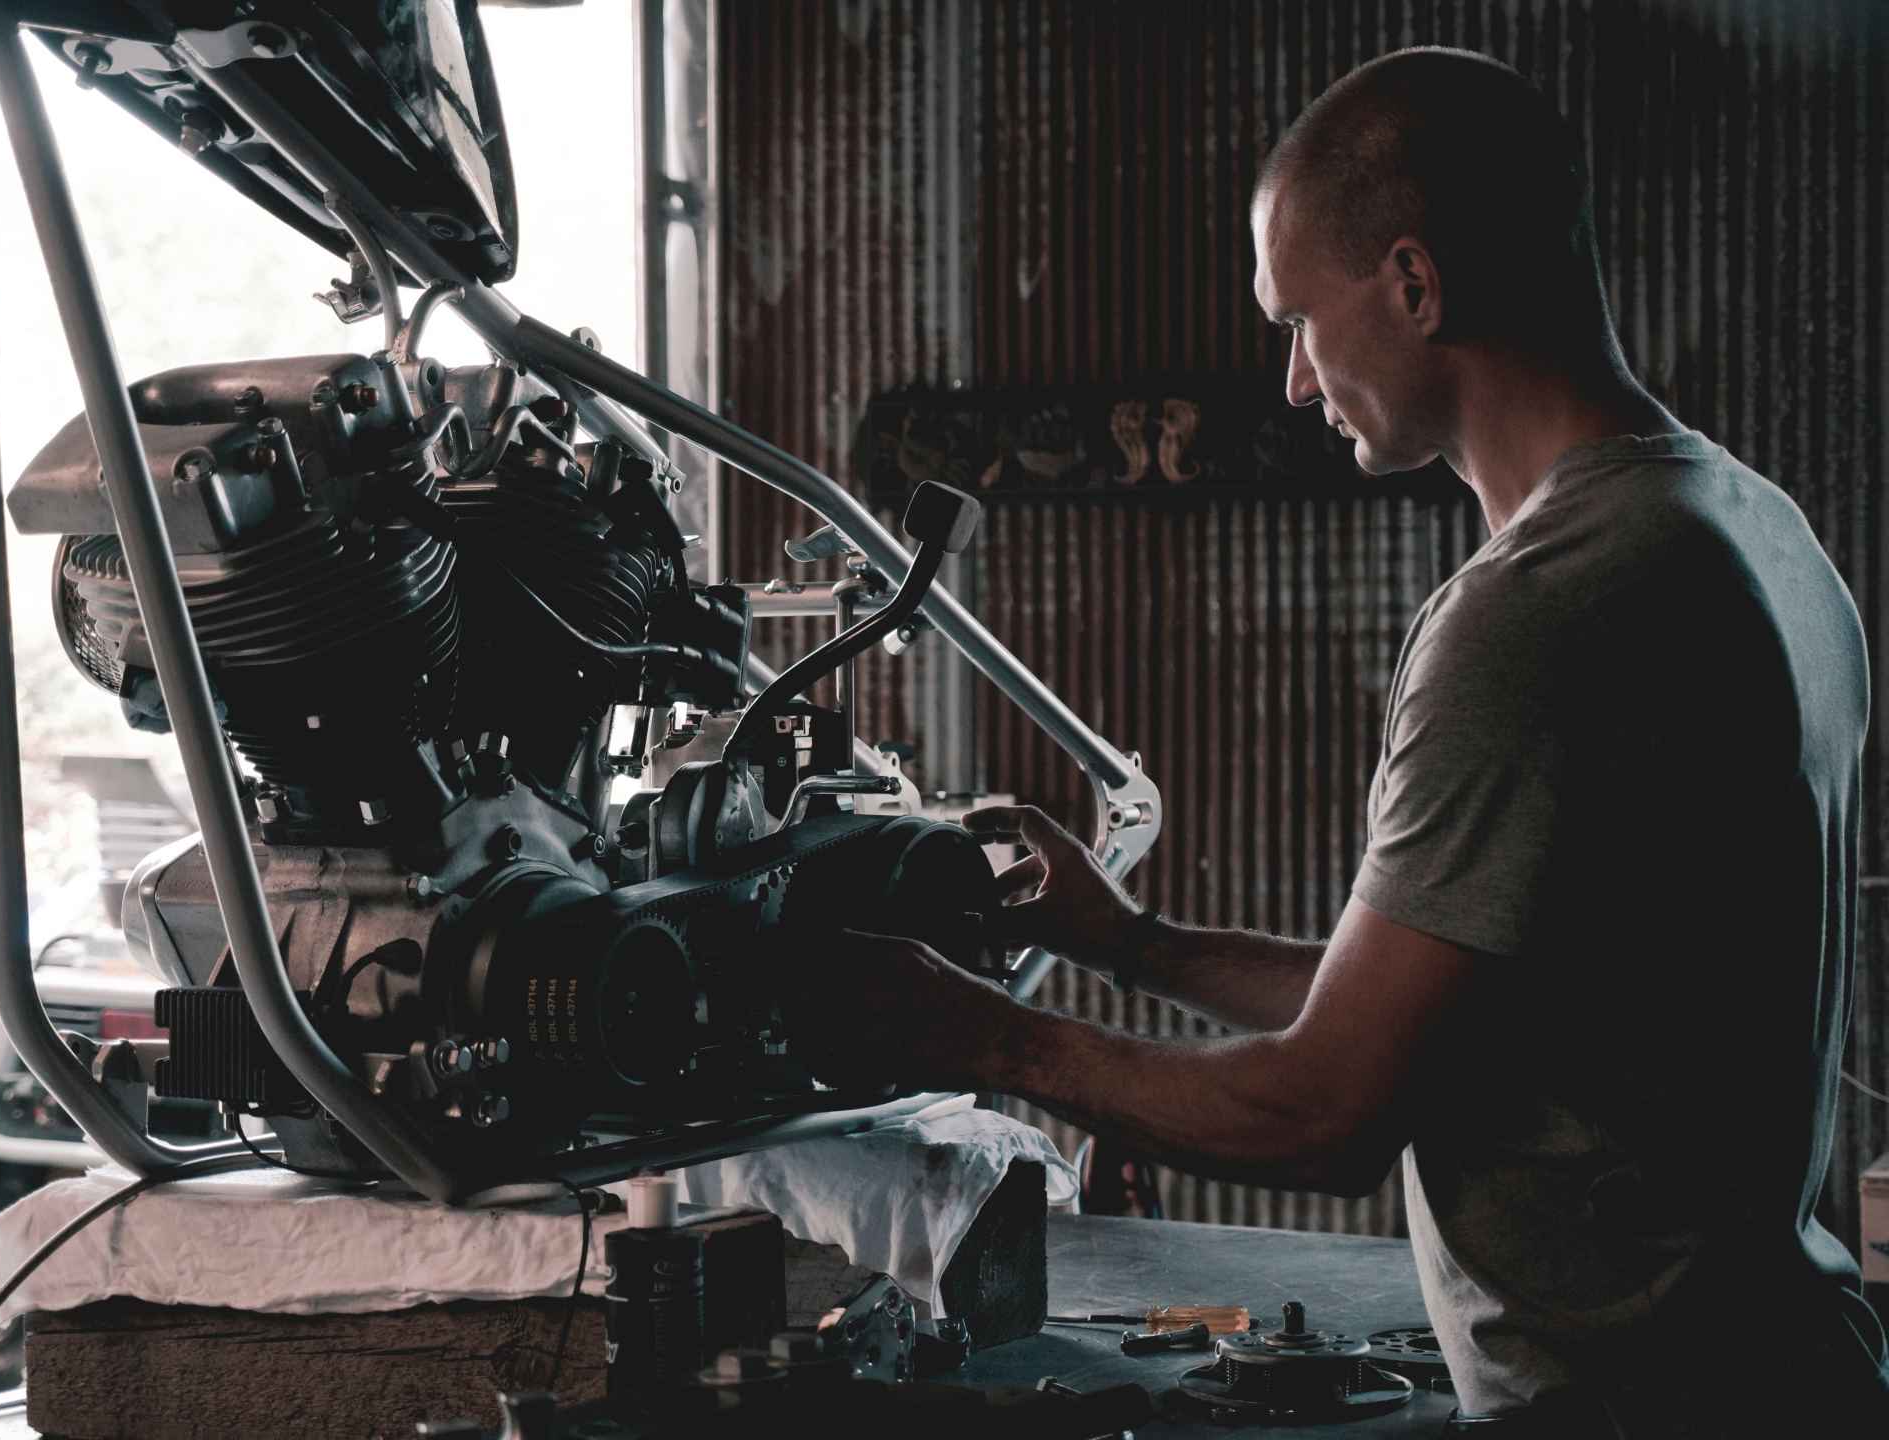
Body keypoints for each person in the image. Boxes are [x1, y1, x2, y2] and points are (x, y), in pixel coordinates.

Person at [800, 45, 1889, 1438]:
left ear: (1417, 286)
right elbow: (1465, 1018)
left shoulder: (1537, 616)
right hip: (1793, 1373)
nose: (1299, 383)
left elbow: (1325, 1110)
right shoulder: (1756, 532)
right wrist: (1126, 943)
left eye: (1301, 322)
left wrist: (982, 1037)